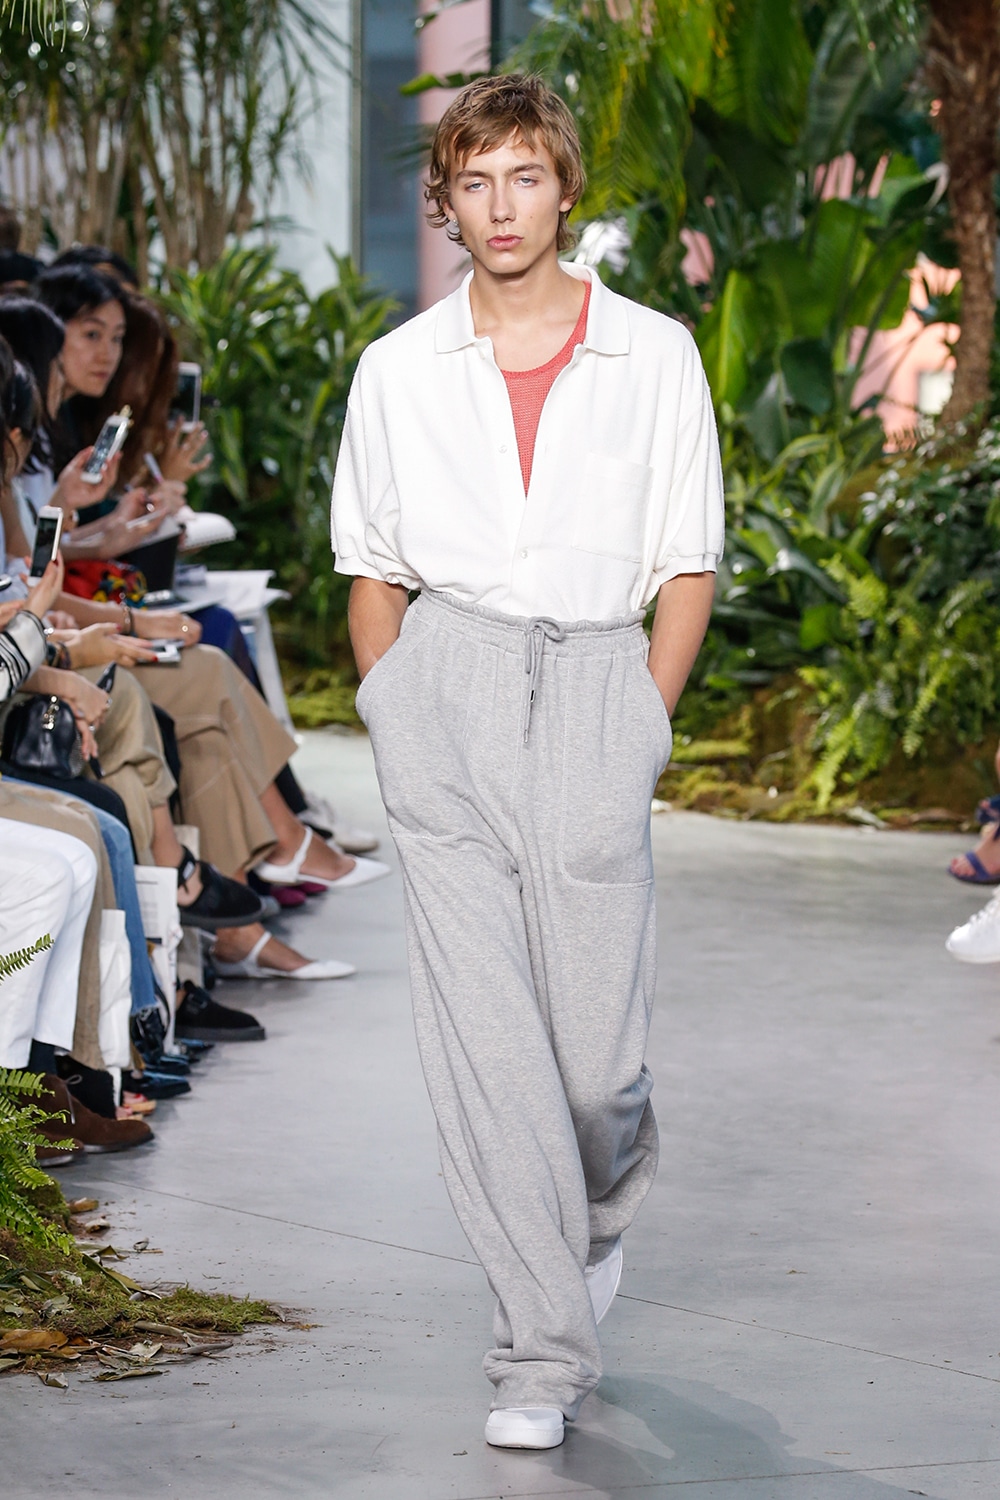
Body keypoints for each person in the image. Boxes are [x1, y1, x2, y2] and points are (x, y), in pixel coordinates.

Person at [331, 74, 724, 1449]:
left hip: (601, 686)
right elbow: (371, 570)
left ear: (564, 189)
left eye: (526, 177)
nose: (501, 207)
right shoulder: (397, 370)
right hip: (449, 685)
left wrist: (644, 724)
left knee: (595, 1069)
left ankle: (593, 1218)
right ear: (448, 200)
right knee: (488, 1046)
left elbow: (687, 560)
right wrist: (396, 708)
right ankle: (537, 1352)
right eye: (475, 181)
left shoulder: (654, 356)